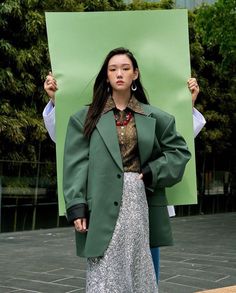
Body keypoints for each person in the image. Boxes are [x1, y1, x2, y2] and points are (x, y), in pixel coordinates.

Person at [43, 51, 205, 289]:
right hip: (99, 201)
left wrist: (151, 172)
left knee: (138, 264)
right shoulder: (85, 118)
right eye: (113, 69)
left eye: (126, 68)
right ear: (106, 76)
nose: (119, 73)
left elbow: (179, 152)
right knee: (104, 267)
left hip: (138, 199)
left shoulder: (155, 116)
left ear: (135, 74)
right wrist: (76, 206)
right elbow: (76, 163)